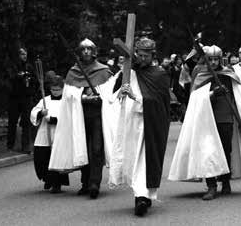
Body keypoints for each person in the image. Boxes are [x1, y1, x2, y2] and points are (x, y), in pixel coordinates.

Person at [168, 45, 241, 200]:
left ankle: (226, 181)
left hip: (226, 117)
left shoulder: (228, 73)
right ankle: (211, 185)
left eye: (216, 59)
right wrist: (212, 94)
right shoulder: (199, 73)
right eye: (210, 59)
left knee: (226, 150)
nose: (213, 62)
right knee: (208, 151)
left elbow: (238, 96)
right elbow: (194, 97)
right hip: (206, 118)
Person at [107, 38, 171, 217]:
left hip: (149, 125)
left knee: (145, 161)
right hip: (131, 125)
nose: (142, 58)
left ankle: (141, 197)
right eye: (139, 55)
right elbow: (113, 95)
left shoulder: (159, 74)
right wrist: (121, 92)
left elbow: (160, 104)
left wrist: (136, 97)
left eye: (146, 56)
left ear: (153, 55)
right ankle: (141, 194)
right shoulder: (128, 71)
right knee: (133, 160)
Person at [48, 38, 113, 199]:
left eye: (89, 49)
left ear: (94, 52)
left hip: (97, 115)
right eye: (83, 49)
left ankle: (94, 183)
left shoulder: (103, 71)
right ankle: (85, 183)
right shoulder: (73, 72)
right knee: (81, 147)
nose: (86, 52)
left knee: (96, 149)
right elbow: (69, 95)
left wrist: (100, 97)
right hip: (79, 115)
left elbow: (110, 93)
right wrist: (82, 98)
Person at [30, 75, 69, 193]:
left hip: (59, 133)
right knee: (41, 158)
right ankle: (47, 179)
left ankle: (56, 183)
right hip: (44, 134)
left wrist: (53, 120)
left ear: (63, 89)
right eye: (53, 89)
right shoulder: (44, 100)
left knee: (56, 159)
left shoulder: (66, 101)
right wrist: (41, 113)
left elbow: (69, 117)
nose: (55, 92)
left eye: (58, 90)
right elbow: (34, 112)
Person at [7, 47, 35, 153]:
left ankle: (25, 146)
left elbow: (34, 80)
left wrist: (29, 79)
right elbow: (10, 79)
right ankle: (10, 145)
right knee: (12, 121)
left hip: (26, 98)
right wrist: (20, 77)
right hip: (14, 98)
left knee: (26, 122)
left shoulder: (29, 67)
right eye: (22, 54)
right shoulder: (13, 67)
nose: (25, 56)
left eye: (25, 53)